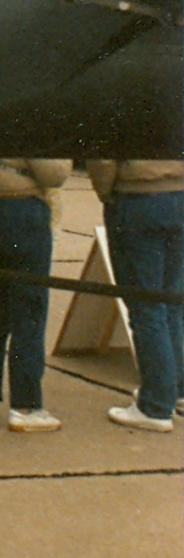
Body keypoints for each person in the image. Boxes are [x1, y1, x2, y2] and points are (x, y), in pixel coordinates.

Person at [0, 158, 72, 432]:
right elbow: (52, 173)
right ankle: (26, 405)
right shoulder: (28, 116)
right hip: (20, 209)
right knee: (29, 311)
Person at [88, 159, 184, 432]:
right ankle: (176, 388)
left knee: (146, 307)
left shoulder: (123, 112)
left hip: (137, 197)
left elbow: (103, 158)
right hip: (179, 193)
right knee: (172, 302)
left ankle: (155, 404)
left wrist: (107, 193)